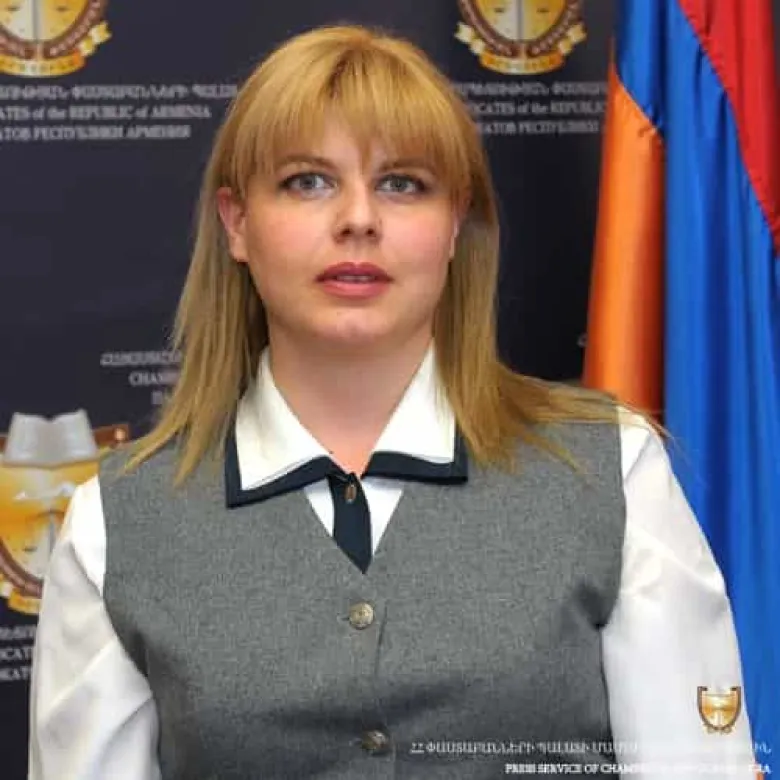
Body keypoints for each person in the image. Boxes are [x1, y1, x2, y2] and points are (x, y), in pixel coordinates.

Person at [28, 24, 756, 780]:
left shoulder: (611, 471)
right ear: (237, 224)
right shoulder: (117, 525)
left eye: (402, 184)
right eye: (308, 182)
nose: (358, 219)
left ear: (455, 225)